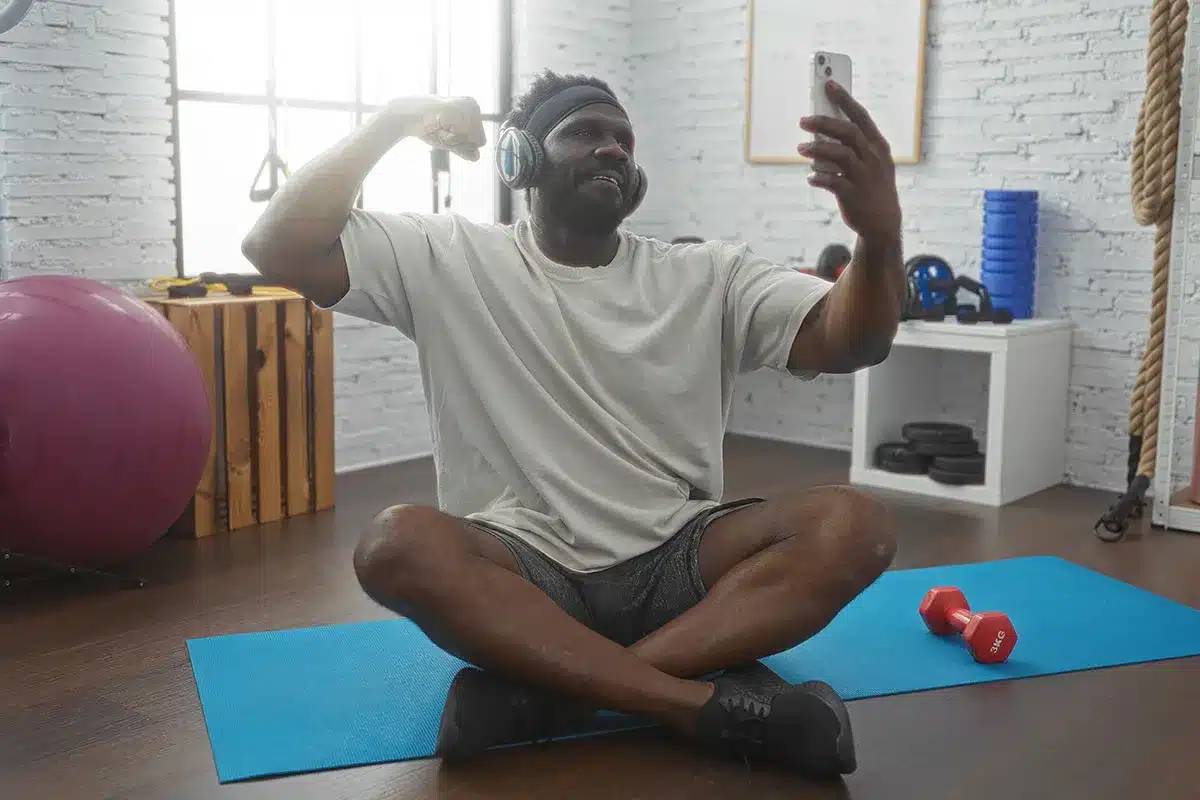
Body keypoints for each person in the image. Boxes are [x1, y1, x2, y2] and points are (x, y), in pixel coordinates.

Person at [241, 68, 906, 777]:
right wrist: (395, 120)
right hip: (527, 574)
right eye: (585, 132)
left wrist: (878, 233)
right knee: (393, 544)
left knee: (855, 525)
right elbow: (277, 248)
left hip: (678, 561)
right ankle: (686, 702)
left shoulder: (710, 275)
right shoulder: (447, 256)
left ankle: (555, 697)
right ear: (519, 158)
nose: (612, 148)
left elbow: (853, 341)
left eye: (624, 140)